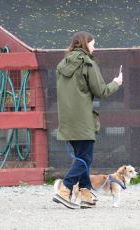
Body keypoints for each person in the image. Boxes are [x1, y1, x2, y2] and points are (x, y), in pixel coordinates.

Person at [53, 31, 123, 209]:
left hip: (67, 119)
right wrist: (116, 82)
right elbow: (102, 91)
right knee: (85, 157)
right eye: (93, 44)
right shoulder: (88, 64)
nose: (94, 47)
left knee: (81, 157)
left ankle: (85, 194)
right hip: (83, 120)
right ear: (85, 44)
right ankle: (65, 189)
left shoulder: (61, 64)